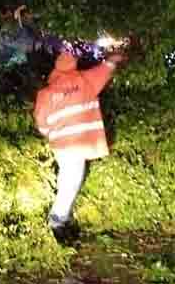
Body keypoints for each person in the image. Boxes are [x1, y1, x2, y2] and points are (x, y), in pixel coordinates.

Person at [33, 49, 125, 240]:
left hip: (61, 144)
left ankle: (60, 217)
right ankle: (57, 221)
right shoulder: (85, 80)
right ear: (74, 64)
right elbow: (106, 69)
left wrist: (50, 133)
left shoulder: (46, 93)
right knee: (72, 181)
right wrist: (117, 56)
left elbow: (41, 122)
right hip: (78, 144)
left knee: (68, 178)